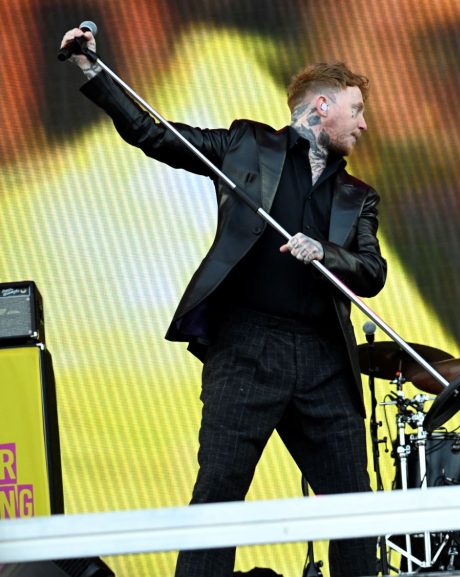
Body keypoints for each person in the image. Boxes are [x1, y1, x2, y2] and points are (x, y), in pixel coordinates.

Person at [60, 27, 385, 576]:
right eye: (356, 110)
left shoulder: (359, 197)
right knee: (218, 495)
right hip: (246, 348)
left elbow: (372, 273)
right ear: (322, 107)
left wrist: (326, 252)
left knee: (354, 506)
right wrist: (93, 71)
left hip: (323, 358)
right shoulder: (246, 145)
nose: (364, 124)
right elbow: (156, 135)